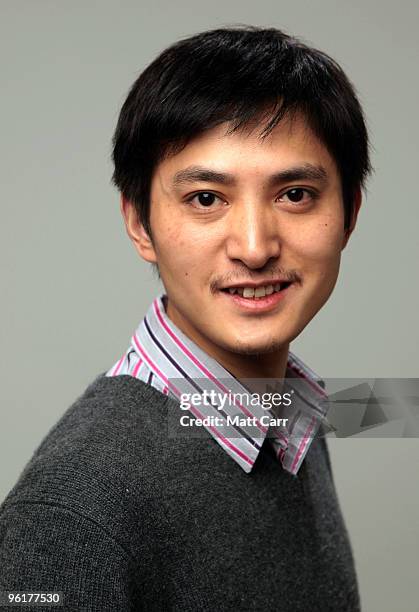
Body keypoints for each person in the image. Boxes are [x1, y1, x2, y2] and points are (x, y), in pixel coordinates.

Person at [0, 26, 371, 611]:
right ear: (139, 222)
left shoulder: (290, 415)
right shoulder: (72, 511)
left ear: (349, 212)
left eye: (295, 194)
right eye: (206, 198)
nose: (253, 246)